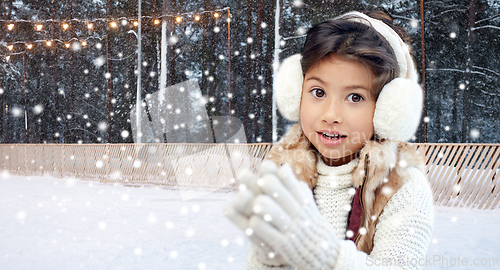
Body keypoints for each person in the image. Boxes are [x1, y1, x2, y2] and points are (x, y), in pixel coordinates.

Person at [225, 10, 433, 270]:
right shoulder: (285, 174)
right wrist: (269, 259)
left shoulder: (403, 185)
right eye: (318, 92)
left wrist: (325, 256)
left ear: (388, 110)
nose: (331, 115)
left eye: (355, 97)